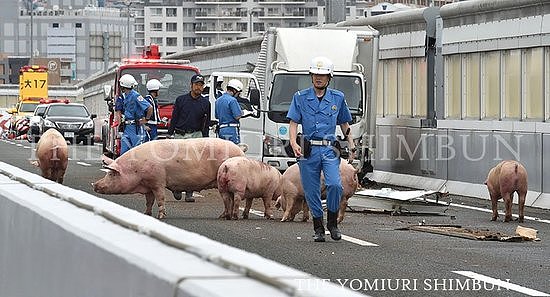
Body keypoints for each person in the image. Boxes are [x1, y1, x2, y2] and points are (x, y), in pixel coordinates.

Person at [287, 56, 355, 242]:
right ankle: (318, 227)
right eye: (315, 74)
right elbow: (293, 122)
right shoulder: (300, 97)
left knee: (334, 185)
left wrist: (351, 144)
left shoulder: (338, 98)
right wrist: (293, 142)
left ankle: (332, 223)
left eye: (323, 75)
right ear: (311, 75)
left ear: (329, 77)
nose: (319, 78)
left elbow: (344, 123)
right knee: (311, 190)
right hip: (307, 150)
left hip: (329, 149)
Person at [168, 74, 210, 202]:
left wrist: (206, 139)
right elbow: (174, 118)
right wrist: (170, 134)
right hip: (180, 134)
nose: (199, 87)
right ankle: (177, 188)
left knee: (194, 165)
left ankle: (189, 191)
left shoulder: (206, 103)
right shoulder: (181, 100)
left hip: (196, 135)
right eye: (196, 84)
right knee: (178, 163)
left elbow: (206, 122)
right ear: (191, 85)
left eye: (201, 85)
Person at [115, 74, 153, 155]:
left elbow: (149, 107)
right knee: (124, 153)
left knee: (138, 153)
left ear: (122, 86)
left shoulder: (136, 96)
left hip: (136, 128)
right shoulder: (122, 97)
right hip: (127, 128)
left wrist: (146, 120)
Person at [215, 79, 244, 145]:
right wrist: (242, 112)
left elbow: (217, 116)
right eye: (238, 93)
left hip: (221, 130)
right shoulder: (233, 100)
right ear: (234, 90)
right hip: (231, 130)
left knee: (223, 152)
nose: (237, 95)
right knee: (234, 152)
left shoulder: (218, 100)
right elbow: (237, 116)